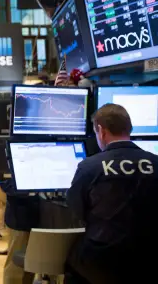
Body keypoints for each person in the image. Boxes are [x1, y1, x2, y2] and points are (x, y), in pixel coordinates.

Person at [66, 104, 158, 284]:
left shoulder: (90, 167)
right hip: (149, 257)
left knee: (71, 259)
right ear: (129, 129)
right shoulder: (156, 162)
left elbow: (75, 209)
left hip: (104, 259)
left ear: (101, 131)